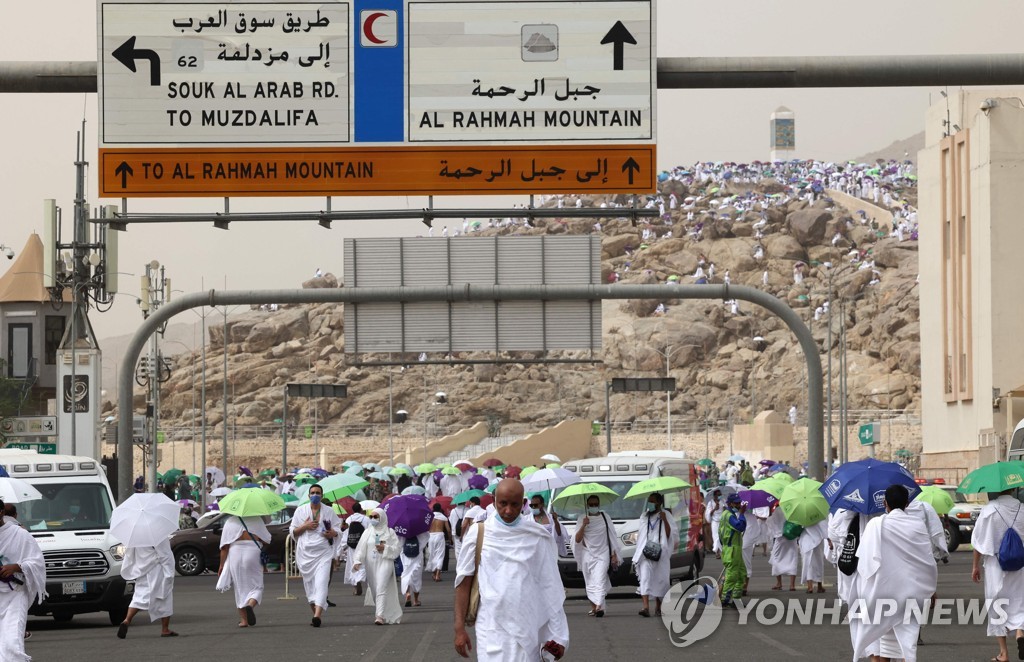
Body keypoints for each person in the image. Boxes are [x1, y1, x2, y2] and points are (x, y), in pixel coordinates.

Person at [454, 479, 568, 660]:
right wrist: (459, 629)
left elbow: (549, 587)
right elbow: (464, 583)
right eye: (503, 504)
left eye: (515, 505)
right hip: (491, 626)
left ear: (523, 503)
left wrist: (557, 636)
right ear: (494, 501)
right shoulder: (479, 533)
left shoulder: (536, 535)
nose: (508, 511)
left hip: (527, 625)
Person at [848, 485, 937, 662]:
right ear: (907, 503)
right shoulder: (917, 525)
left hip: (881, 592)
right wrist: (933, 590)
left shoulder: (875, 525)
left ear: (884, 503)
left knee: (881, 642)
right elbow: (928, 562)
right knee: (906, 645)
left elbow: (864, 562)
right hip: (911, 593)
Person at [972, 488, 1024, 662]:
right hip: (1020, 565)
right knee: (1019, 602)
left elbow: (979, 542)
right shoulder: (1022, 509)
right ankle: (1019, 632)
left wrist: (975, 566)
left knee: (997, 606)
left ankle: (1003, 653)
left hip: (996, 565)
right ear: (1013, 489)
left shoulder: (988, 510)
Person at [0, 499, 45, 661]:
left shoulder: (19, 534)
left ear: (1, 513)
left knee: (12, 641)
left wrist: (16, 567)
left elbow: (37, 562)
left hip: (15, 595)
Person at [290, 484, 340, 627]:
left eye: (318, 493)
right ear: (308, 495)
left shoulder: (329, 511)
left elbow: (337, 529)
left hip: (323, 552)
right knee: (311, 587)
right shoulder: (300, 511)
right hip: (305, 555)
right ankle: (315, 613)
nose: (315, 495)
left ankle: (317, 616)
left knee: (322, 582)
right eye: (313, 493)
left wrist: (333, 533)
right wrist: (305, 526)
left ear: (322, 495)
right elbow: (293, 532)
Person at [216, 514, 271, 628]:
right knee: (257, 586)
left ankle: (244, 620)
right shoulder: (256, 519)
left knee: (239, 587)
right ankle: (250, 605)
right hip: (252, 552)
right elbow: (267, 540)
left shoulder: (230, 521)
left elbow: (224, 547)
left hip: (235, 552)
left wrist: (221, 565)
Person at [571, 494, 622, 617]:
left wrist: (614, 554)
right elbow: (577, 539)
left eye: (596, 504)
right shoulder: (582, 518)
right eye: (591, 505)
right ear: (587, 506)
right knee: (590, 582)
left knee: (599, 578)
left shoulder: (605, 517)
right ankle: (595, 608)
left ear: (599, 505)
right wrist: (584, 525)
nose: (594, 506)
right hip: (587, 554)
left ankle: (599, 605)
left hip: (603, 553)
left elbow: (612, 536)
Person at [117, 537, 176, 639]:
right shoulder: (158, 534)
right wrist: (169, 574)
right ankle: (165, 629)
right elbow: (165, 555)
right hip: (156, 571)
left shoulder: (135, 536)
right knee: (164, 597)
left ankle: (127, 620)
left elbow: (129, 553)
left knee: (139, 597)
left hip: (141, 570)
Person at [631, 492, 678, 618]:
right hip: (646, 552)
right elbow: (641, 535)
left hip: (660, 552)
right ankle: (645, 607)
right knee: (645, 578)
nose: (651, 504)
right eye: (649, 501)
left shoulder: (666, 515)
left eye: (653, 501)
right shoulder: (644, 516)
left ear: (659, 502)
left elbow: (670, 535)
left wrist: (664, 520)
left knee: (660, 579)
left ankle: (658, 605)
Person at [352, 509, 402, 625]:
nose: (373, 519)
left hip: (385, 563)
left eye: (376, 517)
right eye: (371, 517)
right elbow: (360, 549)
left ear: (382, 517)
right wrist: (357, 561)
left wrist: (385, 548)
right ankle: (382, 611)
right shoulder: (367, 532)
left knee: (381, 587)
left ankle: (379, 616)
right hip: (371, 564)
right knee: (375, 589)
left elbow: (397, 549)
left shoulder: (390, 532)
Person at [719, 493, 747, 607]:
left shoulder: (730, 514)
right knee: (732, 576)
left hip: (734, 549)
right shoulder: (729, 515)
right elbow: (740, 527)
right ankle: (724, 600)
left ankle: (736, 600)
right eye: (736, 503)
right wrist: (741, 514)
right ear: (730, 503)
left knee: (741, 575)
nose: (739, 505)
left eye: (739, 503)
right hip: (732, 550)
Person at [767, 503, 798, 591]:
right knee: (792, 558)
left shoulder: (775, 511)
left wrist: (770, 511)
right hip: (791, 536)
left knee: (775, 558)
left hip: (779, 537)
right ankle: (792, 585)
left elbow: (769, 523)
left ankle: (779, 583)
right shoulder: (792, 508)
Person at [343, 503, 370, 595]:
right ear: (361, 509)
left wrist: (344, 547)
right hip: (363, 545)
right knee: (362, 564)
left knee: (352, 564)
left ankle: (355, 585)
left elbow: (346, 535)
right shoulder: (366, 519)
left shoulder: (348, 519)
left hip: (351, 546)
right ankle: (360, 579)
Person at [399, 528, 429, 608]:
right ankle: (416, 600)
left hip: (405, 554)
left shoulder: (402, 527)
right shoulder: (420, 526)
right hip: (417, 554)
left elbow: (398, 542)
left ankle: (407, 593)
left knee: (406, 573)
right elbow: (426, 538)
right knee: (416, 576)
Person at [798, 519, 828, 593]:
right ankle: (819, 586)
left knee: (807, 563)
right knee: (818, 563)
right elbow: (825, 529)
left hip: (806, 540)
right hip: (817, 541)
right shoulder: (819, 515)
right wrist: (829, 540)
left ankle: (810, 586)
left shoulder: (802, 516)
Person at [426, 504, 451, 582]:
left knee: (432, 554)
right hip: (440, 535)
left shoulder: (430, 517)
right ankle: (437, 575)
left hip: (431, 536)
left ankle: (434, 573)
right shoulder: (443, 517)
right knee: (440, 555)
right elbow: (448, 530)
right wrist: (450, 539)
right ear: (440, 509)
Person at [704, 489, 723, 559]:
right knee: (716, 537)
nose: (719, 496)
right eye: (718, 495)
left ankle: (721, 551)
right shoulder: (710, 503)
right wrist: (715, 509)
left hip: (722, 521)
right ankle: (717, 552)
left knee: (721, 536)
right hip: (715, 522)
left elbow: (725, 510)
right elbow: (708, 513)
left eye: (720, 495)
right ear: (715, 496)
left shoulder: (722, 502)